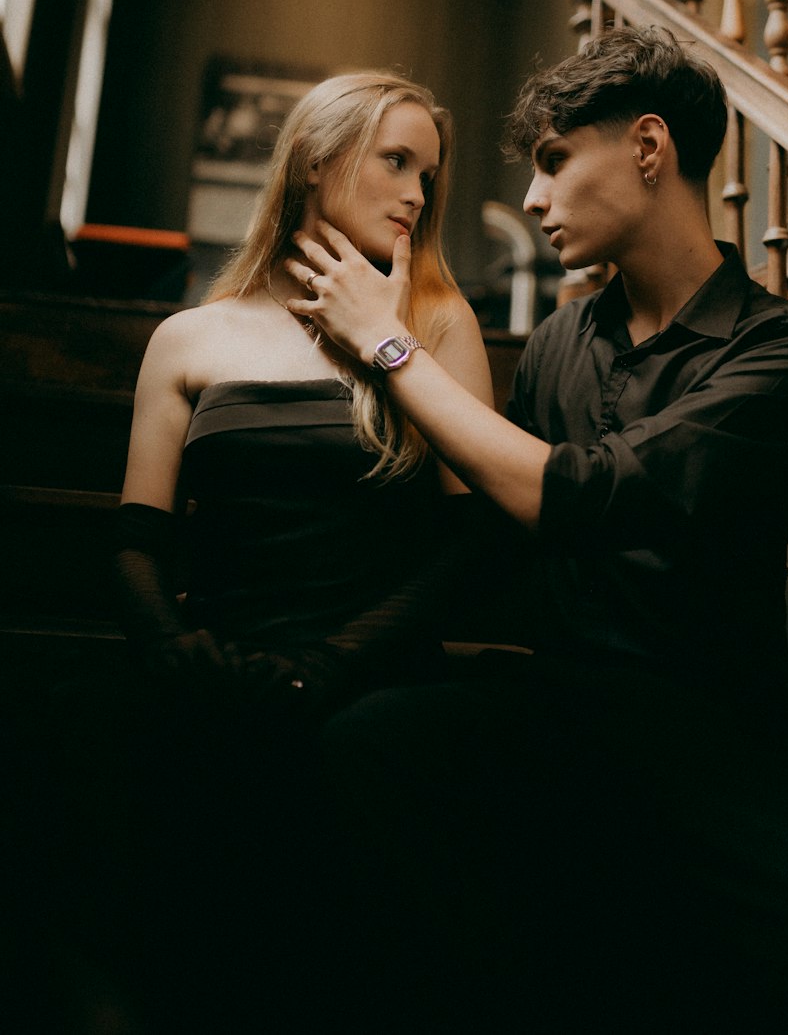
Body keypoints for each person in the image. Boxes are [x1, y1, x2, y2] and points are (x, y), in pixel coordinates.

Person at [287, 27, 788, 1032]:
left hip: (714, 728)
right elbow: (503, 539)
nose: (536, 201)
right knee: (368, 745)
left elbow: (573, 494)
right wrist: (333, 652)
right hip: (561, 705)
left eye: (553, 162)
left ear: (646, 148)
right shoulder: (557, 341)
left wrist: (388, 342)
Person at [77, 69, 495, 1031]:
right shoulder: (192, 337)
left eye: (428, 174)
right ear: (315, 160)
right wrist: (176, 652)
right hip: (222, 662)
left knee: (345, 771)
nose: (418, 195)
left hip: (370, 671)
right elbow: (136, 543)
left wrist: (332, 665)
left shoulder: (433, 323)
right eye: (397, 161)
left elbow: (475, 542)